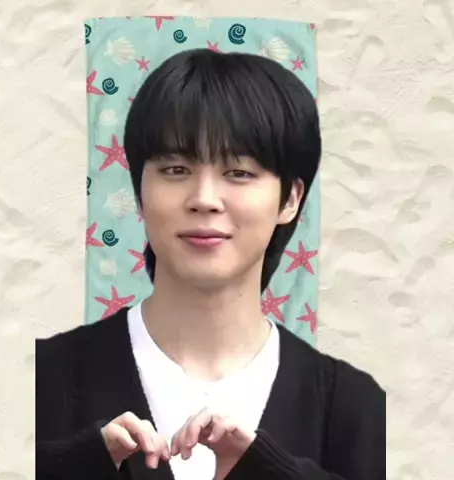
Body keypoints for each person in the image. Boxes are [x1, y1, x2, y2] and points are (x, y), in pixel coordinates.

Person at [36, 48, 386, 480]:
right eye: (175, 169)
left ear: (291, 199)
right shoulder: (38, 379)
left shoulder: (359, 408)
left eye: (239, 173)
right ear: (140, 192)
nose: (204, 199)